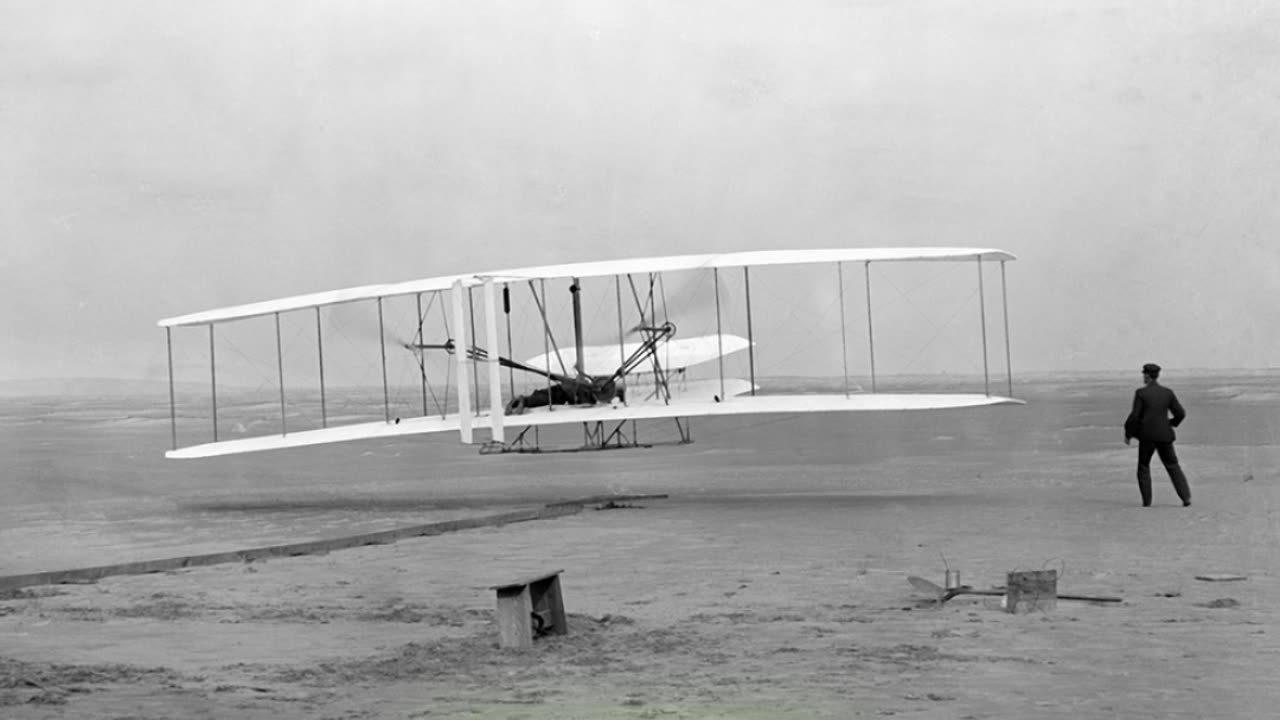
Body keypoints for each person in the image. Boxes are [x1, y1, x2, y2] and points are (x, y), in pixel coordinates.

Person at [1124, 363, 1191, 507]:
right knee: (1173, 465)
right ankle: (1186, 498)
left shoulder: (1141, 393)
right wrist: (1171, 423)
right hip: (1165, 435)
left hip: (1147, 436)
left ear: (1147, 376)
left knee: (1143, 466)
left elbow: (1135, 416)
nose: (1143, 377)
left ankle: (1147, 502)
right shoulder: (1167, 393)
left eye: (1144, 374)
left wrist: (1128, 433)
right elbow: (1181, 413)